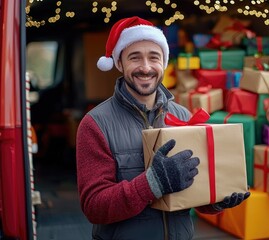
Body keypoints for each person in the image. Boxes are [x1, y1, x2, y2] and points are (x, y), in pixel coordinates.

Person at [76, 16, 250, 240]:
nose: (146, 67)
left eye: (154, 57)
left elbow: (193, 190)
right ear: (119, 63)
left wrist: (217, 201)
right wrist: (151, 184)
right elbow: (94, 207)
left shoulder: (182, 116)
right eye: (135, 58)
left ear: (164, 63)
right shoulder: (95, 124)